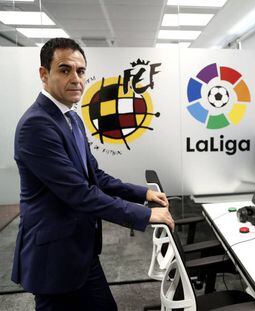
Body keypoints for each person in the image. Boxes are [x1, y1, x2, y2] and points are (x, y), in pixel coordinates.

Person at [12, 38, 174, 311]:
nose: (76, 79)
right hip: (55, 257)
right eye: (65, 70)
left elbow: (94, 175)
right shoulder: (36, 125)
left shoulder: (72, 118)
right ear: (44, 74)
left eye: (81, 71)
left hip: (80, 249)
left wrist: (141, 193)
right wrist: (144, 214)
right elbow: (79, 193)